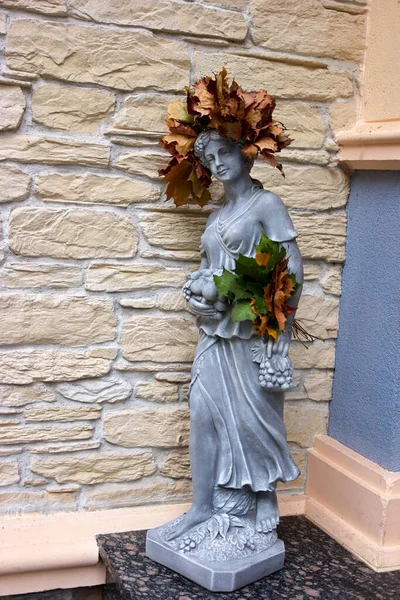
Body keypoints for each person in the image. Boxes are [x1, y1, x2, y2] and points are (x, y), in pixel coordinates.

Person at [166, 129, 303, 541]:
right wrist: (197, 297)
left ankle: (265, 495)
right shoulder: (215, 217)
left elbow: (291, 267)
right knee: (202, 413)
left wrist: (281, 321)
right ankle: (201, 506)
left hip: (255, 329)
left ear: (246, 154)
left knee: (256, 418)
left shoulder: (267, 204)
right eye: (210, 159)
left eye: (225, 152)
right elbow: (208, 272)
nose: (218, 163)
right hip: (216, 331)